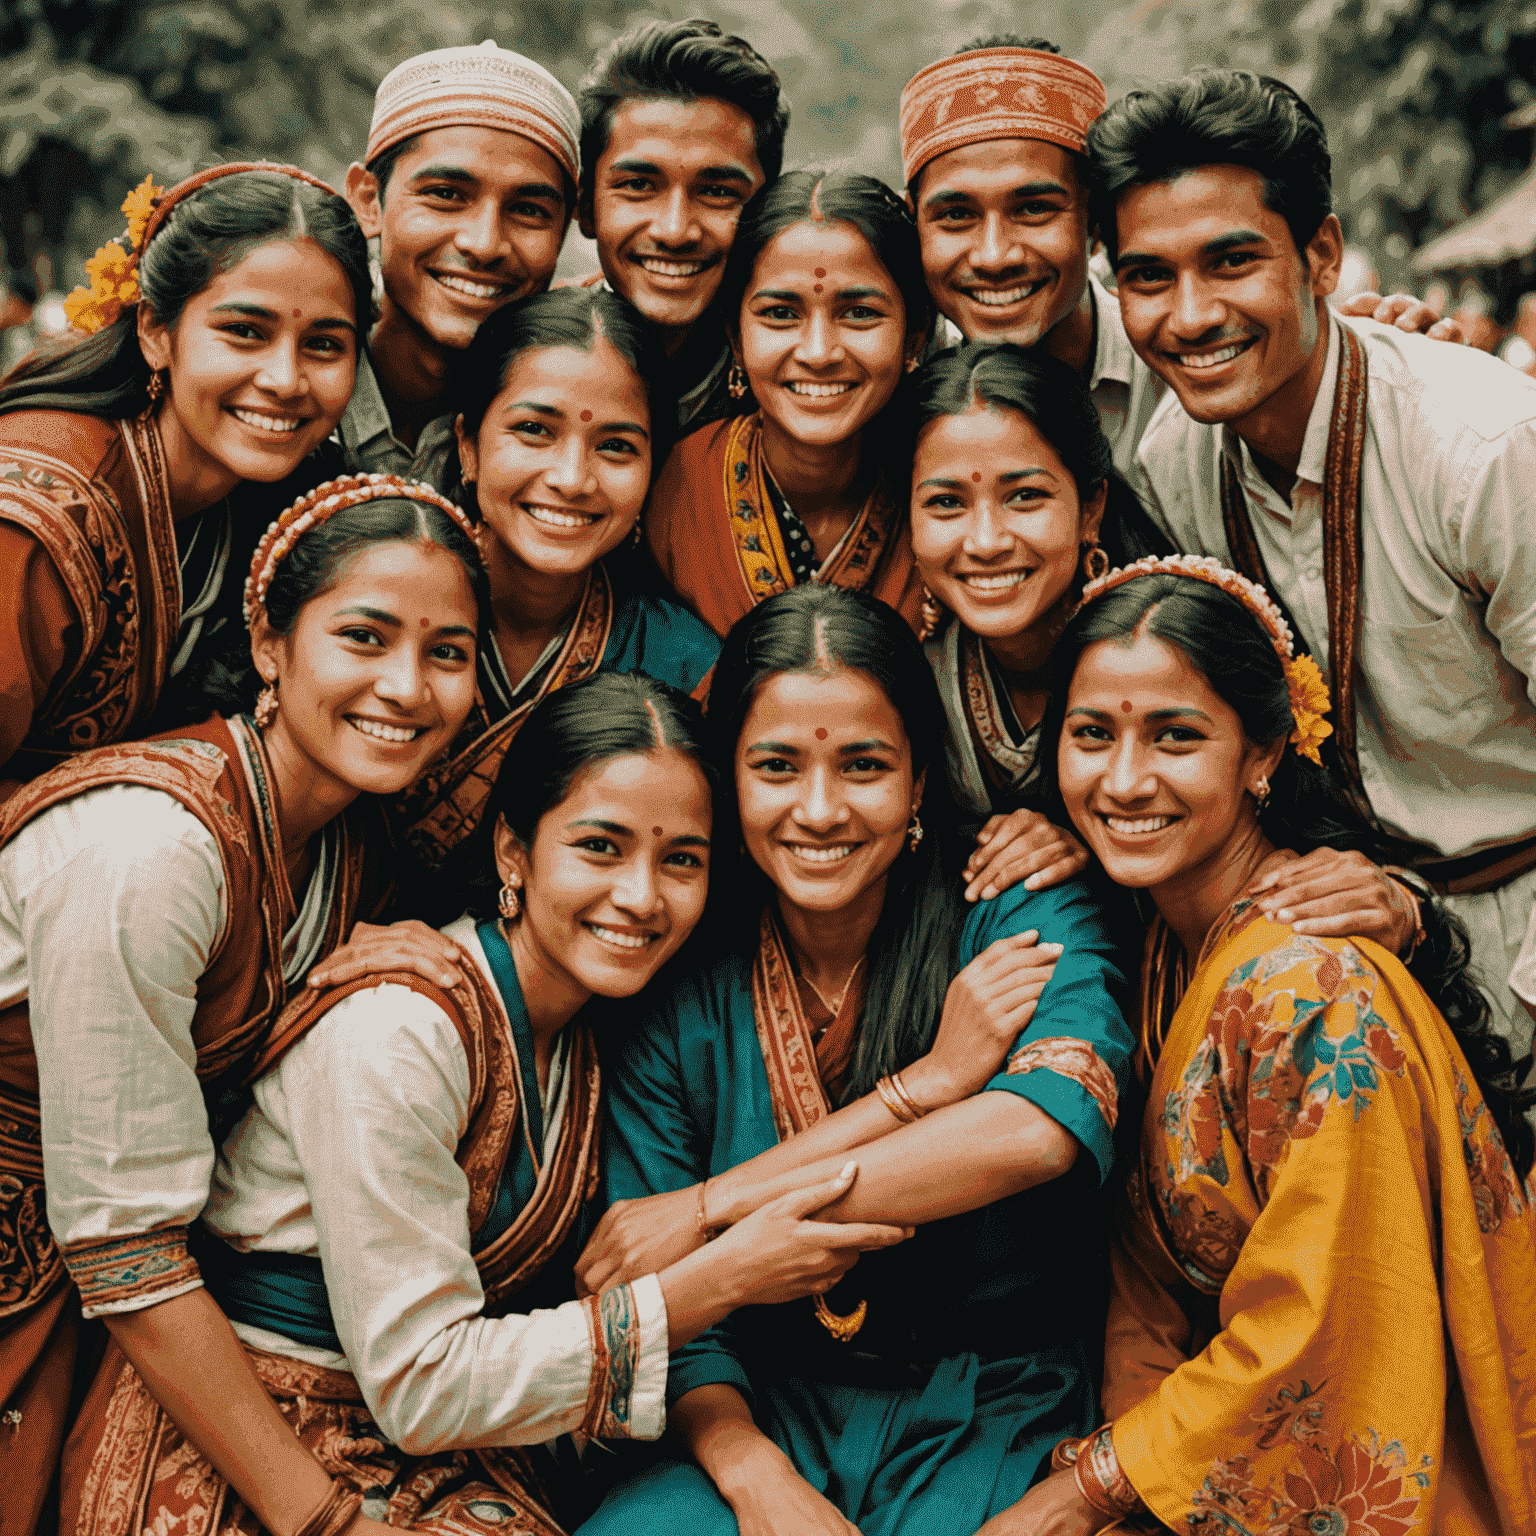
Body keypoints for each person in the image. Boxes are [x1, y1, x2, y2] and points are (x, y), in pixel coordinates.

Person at [63, 669, 912, 1533]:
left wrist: (940, 1082)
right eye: (600, 846)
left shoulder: (591, 1030)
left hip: (432, 1450)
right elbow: (420, 1388)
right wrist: (720, 1277)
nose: (641, 896)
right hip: (253, 1446)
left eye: (680, 860)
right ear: (514, 850)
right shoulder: (400, 1032)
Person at [981, 555, 1536, 1535]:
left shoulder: (1310, 992)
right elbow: (1146, 1278)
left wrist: (1084, 1493)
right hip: (1202, 1439)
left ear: (1266, 754)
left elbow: (1328, 1326)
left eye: (1176, 737)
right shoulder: (1161, 940)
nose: (1123, 779)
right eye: (1091, 734)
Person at [576, 583, 1134, 1536]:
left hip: (985, 1400)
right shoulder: (675, 973)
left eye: (865, 766)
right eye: (777, 766)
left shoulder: (1017, 908)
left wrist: (710, 1211)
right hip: (751, 1400)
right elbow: (661, 1293)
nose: (821, 810)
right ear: (727, 781)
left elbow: (1033, 1135)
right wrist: (751, 1471)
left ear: (920, 781)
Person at [0, 472, 486, 1535]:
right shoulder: (151, 850)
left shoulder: (346, 841)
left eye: (446, 652)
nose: (407, 686)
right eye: (365, 637)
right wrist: (322, 1516)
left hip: (101, 1284)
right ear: (269, 644)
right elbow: (124, 1244)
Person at [1090, 68, 1536, 1070]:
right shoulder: (1176, 458)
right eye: (1149, 277)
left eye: (1232, 261)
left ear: (1322, 254)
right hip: (1356, 947)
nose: (1190, 315)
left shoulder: (1481, 446)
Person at [909, 339, 1423, 942]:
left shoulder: (1182, 632)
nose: (987, 540)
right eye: (946, 502)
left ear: (1091, 508)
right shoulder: (916, 670)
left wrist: (1403, 906)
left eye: (1025, 496)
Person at [897, 36, 1459, 475]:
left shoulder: (1191, 360)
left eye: (1034, 208)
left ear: (1094, 221)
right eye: (955, 216)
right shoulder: (890, 388)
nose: (995, 255)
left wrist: (1387, 360)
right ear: (912, 220)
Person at [0, 162, 371, 792]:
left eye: (324, 345)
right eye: (245, 332)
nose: (285, 379)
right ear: (154, 330)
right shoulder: (37, 516)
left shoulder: (270, 503)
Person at [394, 286, 720, 879]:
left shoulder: (684, 663)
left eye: (616, 447)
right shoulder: (381, 604)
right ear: (468, 446)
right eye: (535, 431)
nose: (572, 479)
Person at [645, 171, 929, 639]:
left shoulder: (946, 494)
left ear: (913, 337)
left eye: (859, 313)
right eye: (781, 314)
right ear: (735, 337)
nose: (819, 353)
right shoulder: (668, 490)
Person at [338, 40, 581, 488]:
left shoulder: (574, 434)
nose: (485, 244)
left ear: (566, 228)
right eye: (446, 195)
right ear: (370, 201)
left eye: (528, 209)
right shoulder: (287, 386)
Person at [576, 16, 788, 428]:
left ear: (772, 212)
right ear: (585, 207)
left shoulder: (814, 373)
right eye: (639, 185)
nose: (675, 231)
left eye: (718, 191)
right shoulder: (519, 356)